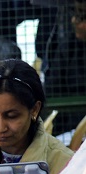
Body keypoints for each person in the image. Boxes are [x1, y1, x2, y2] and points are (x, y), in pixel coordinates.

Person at [43, 0, 86, 135]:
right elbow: (51, 90)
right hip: (69, 131)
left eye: (81, 16)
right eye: (75, 13)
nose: (73, 20)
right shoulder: (69, 48)